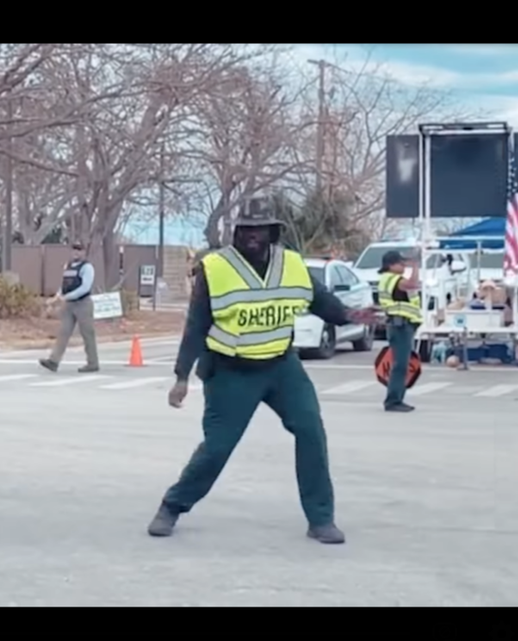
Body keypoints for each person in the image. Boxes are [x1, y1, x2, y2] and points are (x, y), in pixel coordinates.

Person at [146, 197, 378, 544]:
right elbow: (197, 324)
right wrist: (181, 376)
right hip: (230, 372)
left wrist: (349, 315)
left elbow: (320, 301)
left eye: (260, 229)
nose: (252, 235)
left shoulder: (292, 264)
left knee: (311, 431)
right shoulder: (216, 268)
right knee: (218, 447)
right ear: (236, 232)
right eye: (246, 229)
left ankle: (321, 519)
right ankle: (172, 505)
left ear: (272, 232)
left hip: (281, 367)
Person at [40, 242, 100, 373]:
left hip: (83, 303)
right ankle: (53, 361)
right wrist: (56, 298)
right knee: (63, 332)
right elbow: (64, 285)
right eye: (74, 250)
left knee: (87, 334)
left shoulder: (87, 267)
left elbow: (85, 287)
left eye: (79, 250)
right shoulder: (68, 266)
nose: (76, 252)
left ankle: (93, 363)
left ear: (84, 252)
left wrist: (65, 297)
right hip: (69, 305)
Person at [377, 250, 423, 412]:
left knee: (402, 364)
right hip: (400, 325)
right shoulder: (392, 278)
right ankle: (393, 400)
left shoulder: (390, 279)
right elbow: (412, 285)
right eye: (401, 263)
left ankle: (396, 398)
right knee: (400, 365)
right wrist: (415, 267)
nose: (404, 266)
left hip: (403, 325)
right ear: (391, 265)